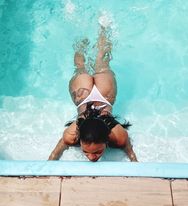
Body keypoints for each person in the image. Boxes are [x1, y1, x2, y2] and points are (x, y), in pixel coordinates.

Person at [48, 26, 137, 162]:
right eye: (86, 151)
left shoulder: (118, 137)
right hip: (104, 94)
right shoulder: (71, 136)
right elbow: (53, 156)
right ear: (79, 138)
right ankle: (101, 28)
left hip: (85, 96)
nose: (91, 157)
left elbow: (54, 156)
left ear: (107, 139)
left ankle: (87, 34)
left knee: (83, 66)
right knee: (100, 61)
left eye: (97, 152)